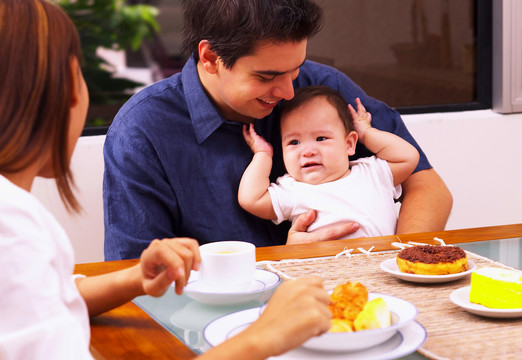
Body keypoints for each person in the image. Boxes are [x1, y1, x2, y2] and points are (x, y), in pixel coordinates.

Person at [0, 1, 331, 359]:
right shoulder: (12, 230)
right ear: (60, 92)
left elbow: (45, 298)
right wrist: (264, 336)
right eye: (77, 72)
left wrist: (134, 278)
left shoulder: (13, 217)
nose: (287, 91)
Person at [103, 0, 452, 260]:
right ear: (209, 59)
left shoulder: (322, 88)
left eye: (295, 69)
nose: (288, 92)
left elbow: (427, 186)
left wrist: (396, 262)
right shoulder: (142, 132)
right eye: (266, 77)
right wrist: (280, 263)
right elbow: (138, 274)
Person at [239, 86, 420, 238]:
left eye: (321, 138)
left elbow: (408, 157)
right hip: (326, 275)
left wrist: (366, 133)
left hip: (381, 269)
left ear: (349, 144)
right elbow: (251, 199)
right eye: (294, 142)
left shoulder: (371, 172)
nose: (308, 151)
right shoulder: (293, 190)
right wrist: (263, 155)